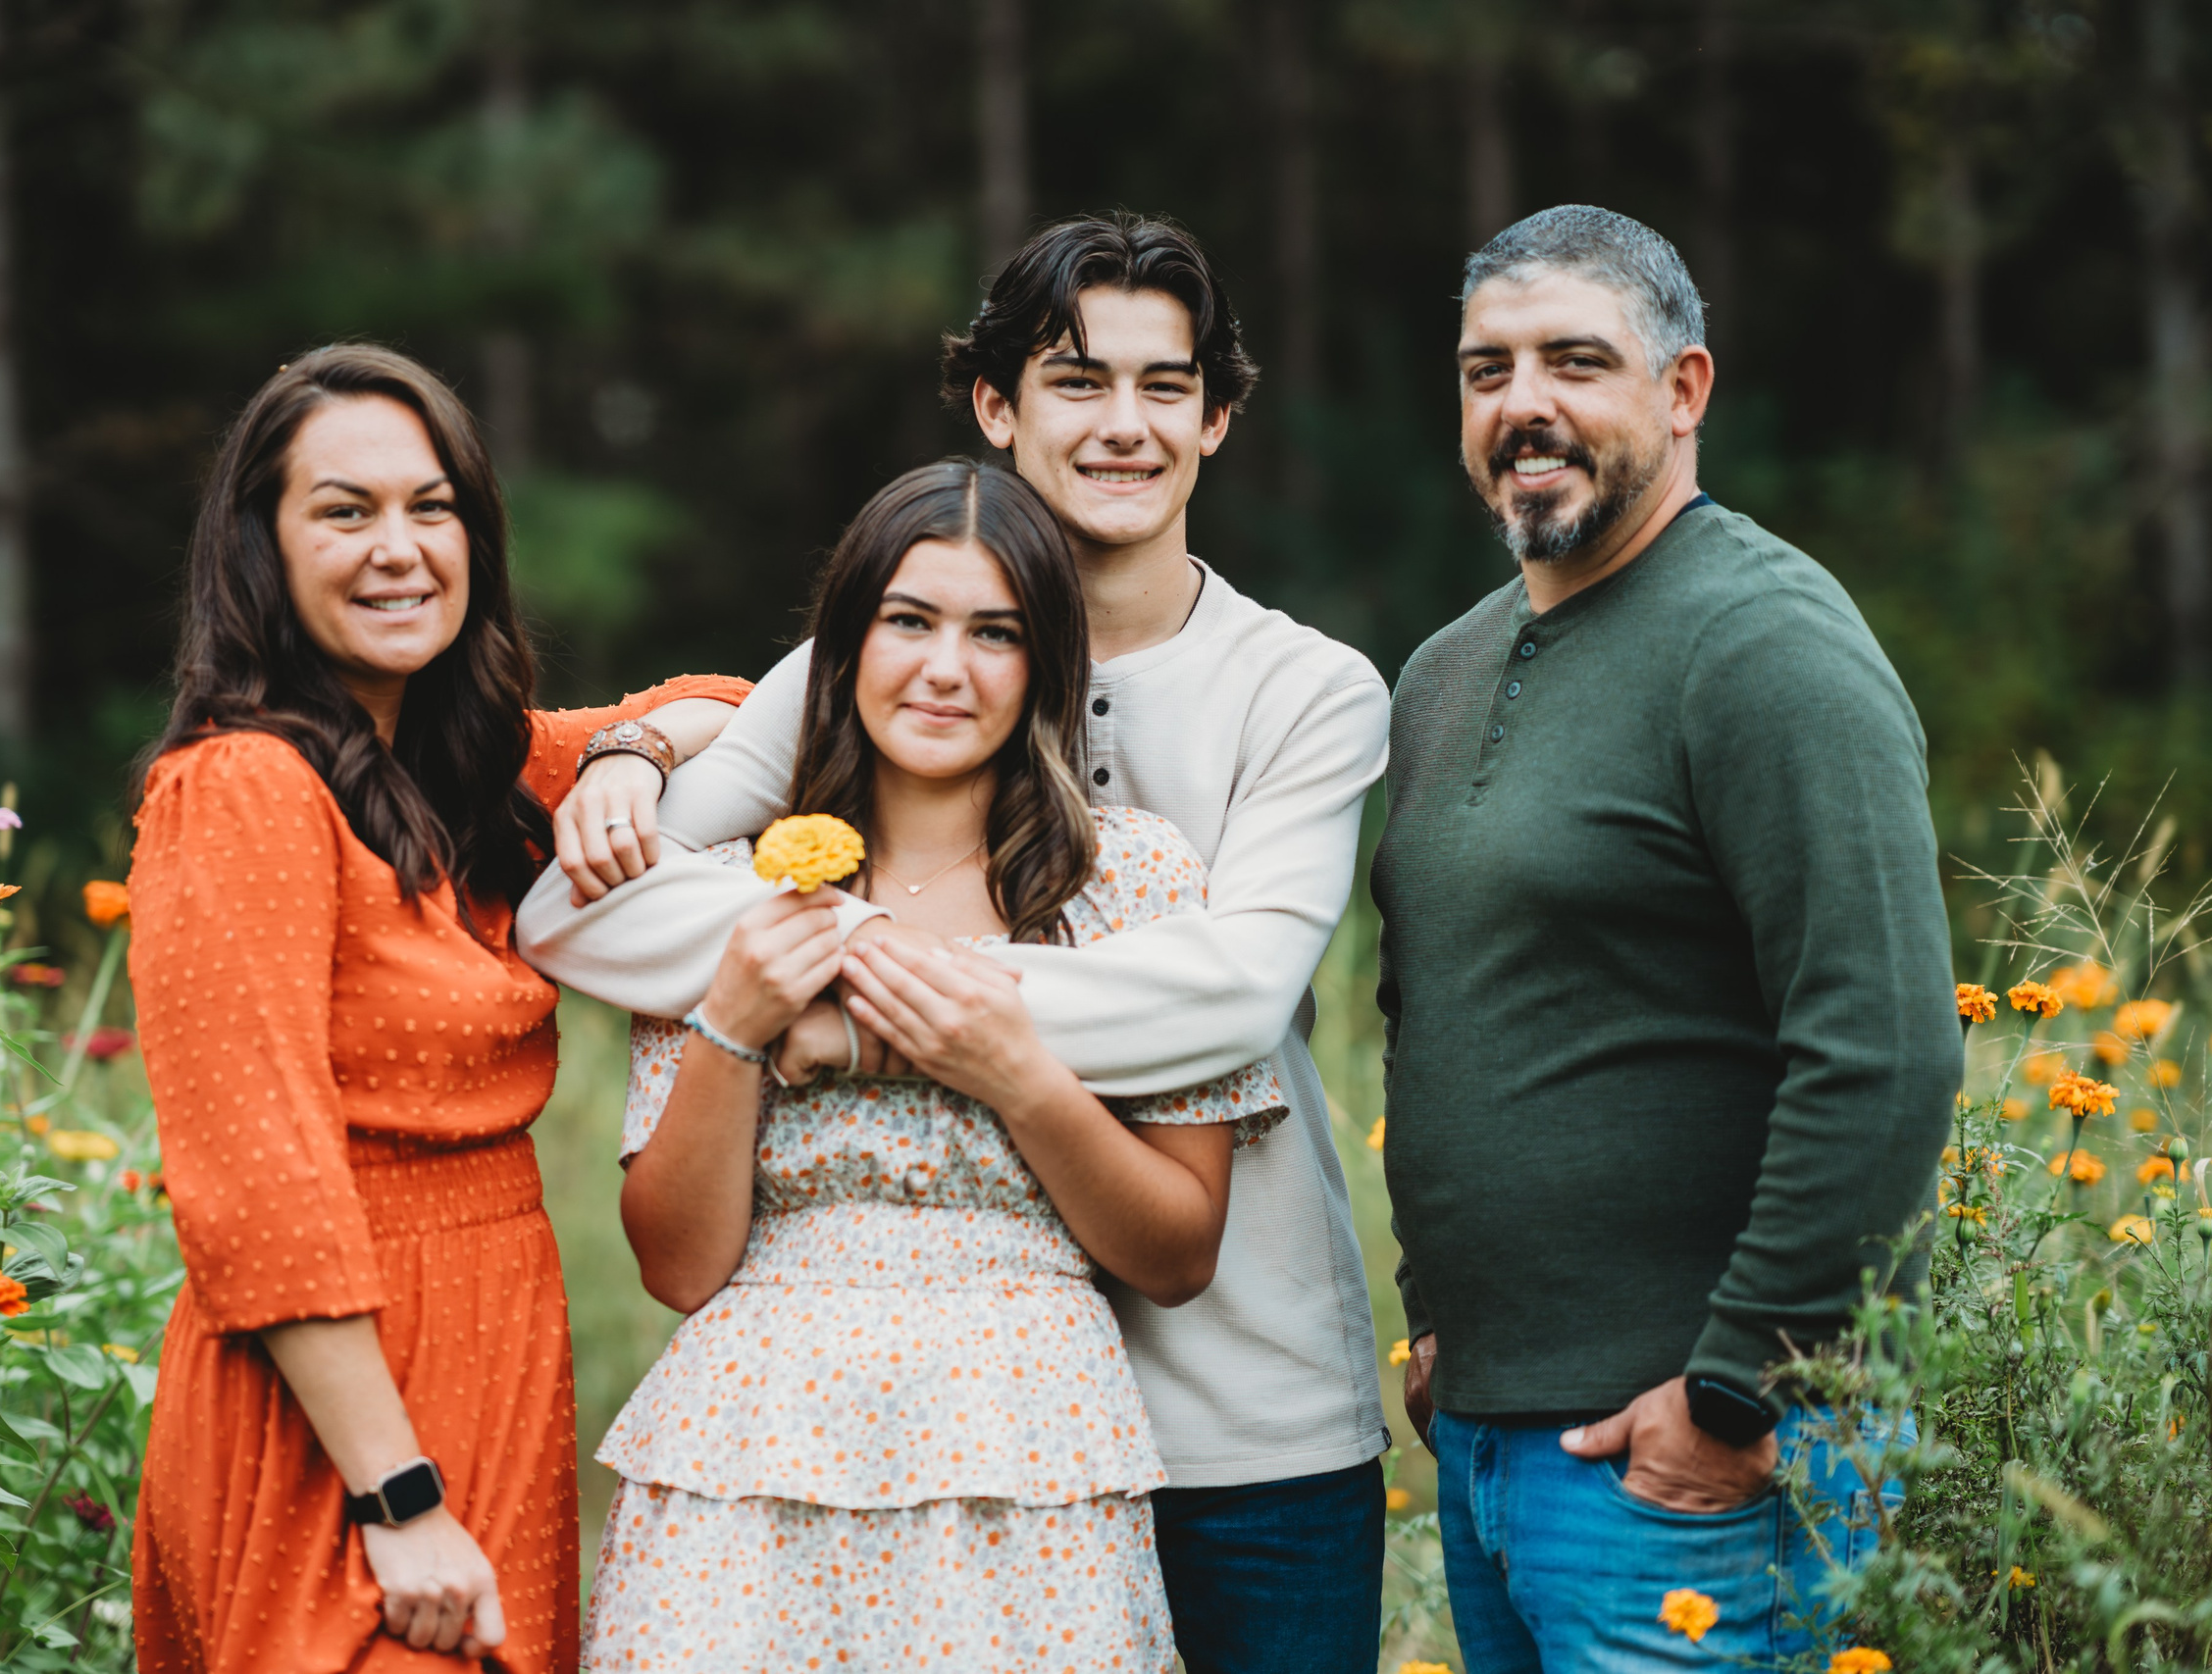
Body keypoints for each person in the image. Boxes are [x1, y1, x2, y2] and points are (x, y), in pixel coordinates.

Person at [519, 212, 1392, 1673]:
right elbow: (595, 912)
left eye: (1164, 386)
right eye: (1073, 379)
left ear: (1217, 415)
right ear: (997, 407)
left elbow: (1233, 989)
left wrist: (860, 1021)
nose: (1123, 425)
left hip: (1243, 1402)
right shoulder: (863, 661)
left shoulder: (1305, 690)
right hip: (819, 1435)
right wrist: (637, 745)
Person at [1373, 204, 1957, 1670]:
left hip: (1692, 1473)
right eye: (1486, 369)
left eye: (1576, 360)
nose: (1525, 405)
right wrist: (1441, 1323)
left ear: (1683, 389)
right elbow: (1435, 1008)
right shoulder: (1443, 671)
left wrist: (1741, 1389)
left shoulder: (1766, 644)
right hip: (1499, 1450)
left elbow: (1883, 1047)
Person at [583, 457, 1285, 1671]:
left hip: (1029, 1457)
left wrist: (1018, 1074)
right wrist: (734, 1023)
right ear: (843, 649)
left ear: (1047, 666)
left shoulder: (1134, 883)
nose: (945, 669)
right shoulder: (736, 889)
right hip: (752, 1458)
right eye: (908, 621)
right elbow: (679, 1265)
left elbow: (1177, 1254)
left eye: (995, 632)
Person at [125, 343, 749, 1674]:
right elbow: (259, 1182)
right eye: (344, 511)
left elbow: (735, 708)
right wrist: (395, 1495)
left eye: (432, 505)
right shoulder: (242, 786)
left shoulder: (470, 765)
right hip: (337, 1400)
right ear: (261, 551)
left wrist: (630, 758)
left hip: (498, 1340)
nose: (398, 547)